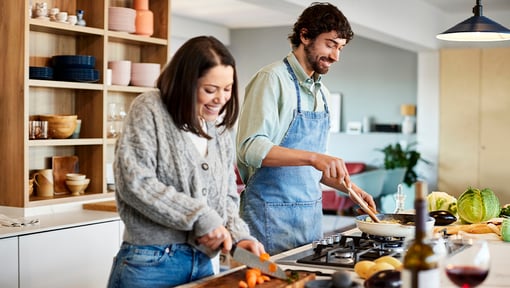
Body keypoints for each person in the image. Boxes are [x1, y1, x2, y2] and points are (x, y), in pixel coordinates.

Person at [107, 36, 264, 288]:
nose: (221, 99)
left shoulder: (219, 129)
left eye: (227, 88)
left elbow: (226, 196)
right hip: (150, 264)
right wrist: (201, 217)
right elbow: (135, 182)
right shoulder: (150, 108)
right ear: (186, 83)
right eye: (210, 90)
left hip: (201, 263)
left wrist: (238, 236)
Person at [236, 2, 377, 255]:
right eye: (330, 44)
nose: (336, 56)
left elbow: (314, 170)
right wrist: (314, 157)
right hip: (269, 218)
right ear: (305, 36)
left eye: (340, 48)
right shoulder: (272, 79)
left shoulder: (322, 93)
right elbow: (251, 148)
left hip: (310, 219)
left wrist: (353, 191)